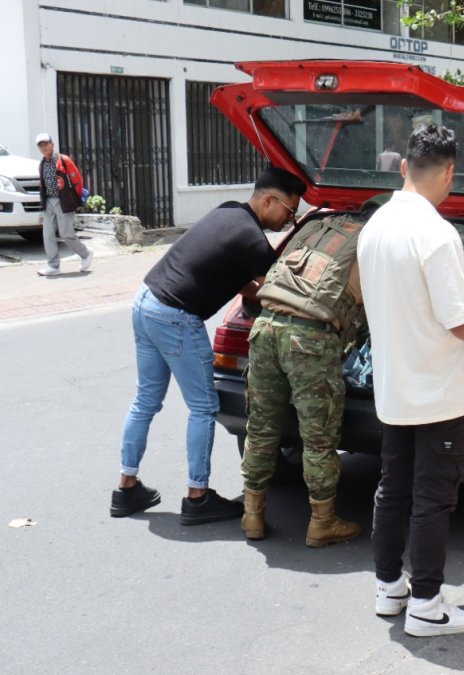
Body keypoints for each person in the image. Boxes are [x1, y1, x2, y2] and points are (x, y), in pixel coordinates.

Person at [111, 167, 306, 524]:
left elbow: (238, 280)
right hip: (175, 315)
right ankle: (198, 497)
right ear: (268, 200)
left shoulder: (228, 211)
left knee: (145, 401)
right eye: (290, 212)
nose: (290, 221)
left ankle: (126, 488)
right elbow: (275, 291)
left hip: (146, 300)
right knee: (203, 407)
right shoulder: (253, 240)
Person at [358, 124, 464, 637]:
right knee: (434, 498)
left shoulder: (375, 226)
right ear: (450, 172)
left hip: (393, 387)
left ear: (404, 167)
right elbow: (460, 320)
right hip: (438, 390)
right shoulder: (436, 233)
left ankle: (390, 589)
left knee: (393, 490)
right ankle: (428, 607)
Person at [239, 197, 374, 547]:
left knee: (261, 429)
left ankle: (252, 515)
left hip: (265, 326)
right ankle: (322, 523)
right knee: (318, 439)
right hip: (310, 339)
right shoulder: (372, 241)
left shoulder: (317, 228)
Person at [34, 132, 93, 276]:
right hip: (49, 202)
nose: (44, 147)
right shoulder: (42, 164)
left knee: (66, 233)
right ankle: (53, 266)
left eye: (46, 144)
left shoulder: (63, 160)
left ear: (52, 145)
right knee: (47, 234)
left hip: (64, 201)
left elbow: (76, 180)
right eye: (41, 145)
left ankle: (85, 254)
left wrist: (77, 198)